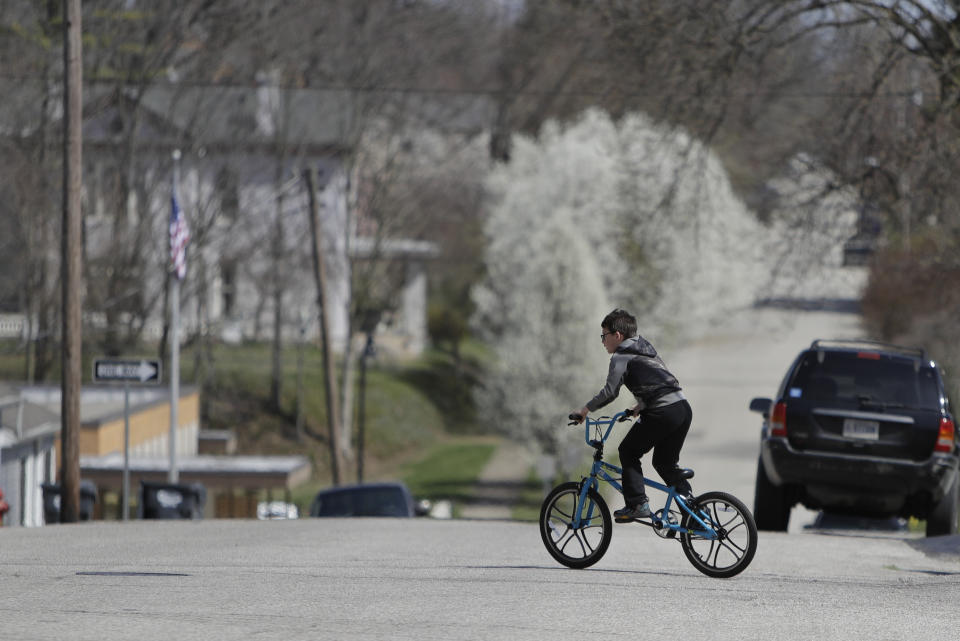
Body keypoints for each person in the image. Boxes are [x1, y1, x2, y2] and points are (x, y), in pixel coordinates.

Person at [571, 308, 693, 522]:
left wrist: (585, 410)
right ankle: (694, 513)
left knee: (628, 450)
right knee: (665, 464)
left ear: (617, 336)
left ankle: (637, 503)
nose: (603, 341)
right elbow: (660, 380)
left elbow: (610, 391)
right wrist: (641, 405)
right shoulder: (645, 347)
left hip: (662, 411)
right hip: (681, 408)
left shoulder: (620, 357)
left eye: (604, 336)